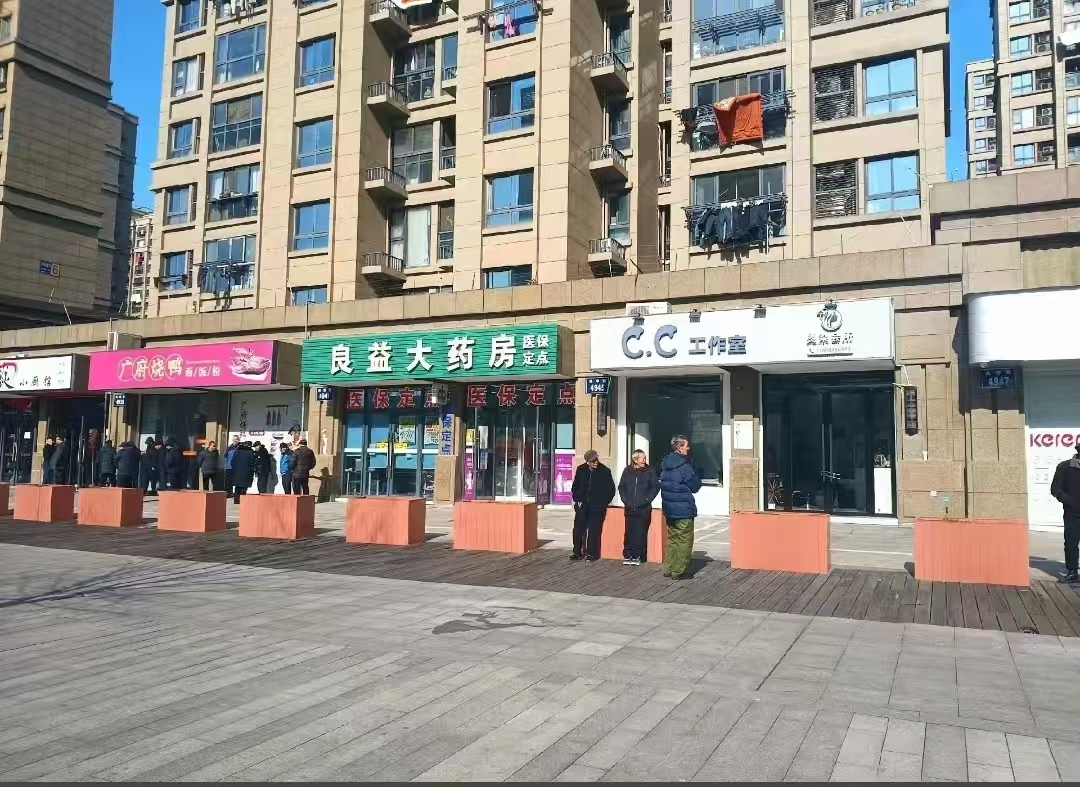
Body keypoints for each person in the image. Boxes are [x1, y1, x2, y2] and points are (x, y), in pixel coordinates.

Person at [659, 435, 703, 580]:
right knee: (684, 540)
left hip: (669, 509)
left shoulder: (665, 465)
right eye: (686, 445)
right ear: (679, 447)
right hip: (683, 509)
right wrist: (697, 474)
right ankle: (679, 571)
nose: (688, 448)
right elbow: (695, 486)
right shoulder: (684, 467)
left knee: (673, 538)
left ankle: (669, 568)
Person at [570, 449, 616, 562]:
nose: (595, 462)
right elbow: (575, 486)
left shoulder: (605, 471)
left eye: (596, 460)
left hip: (597, 506)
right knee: (578, 529)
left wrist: (603, 503)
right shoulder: (581, 470)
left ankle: (591, 554)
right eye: (592, 461)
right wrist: (577, 500)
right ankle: (577, 552)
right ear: (587, 462)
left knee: (593, 530)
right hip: (582, 504)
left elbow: (611, 490)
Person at [617, 449, 660, 566]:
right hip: (629, 507)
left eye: (645, 458)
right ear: (635, 460)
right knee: (629, 532)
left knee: (640, 532)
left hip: (643, 509)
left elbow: (655, 487)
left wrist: (647, 500)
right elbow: (621, 487)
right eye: (642, 459)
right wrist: (625, 500)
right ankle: (628, 554)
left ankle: (638, 555)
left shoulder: (649, 471)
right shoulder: (627, 471)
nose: (644, 461)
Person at [1051, 445, 1080, 583]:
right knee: (1071, 543)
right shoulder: (1064, 467)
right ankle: (1073, 571)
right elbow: (1055, 489)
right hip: (1072, 513)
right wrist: (1069, 501)